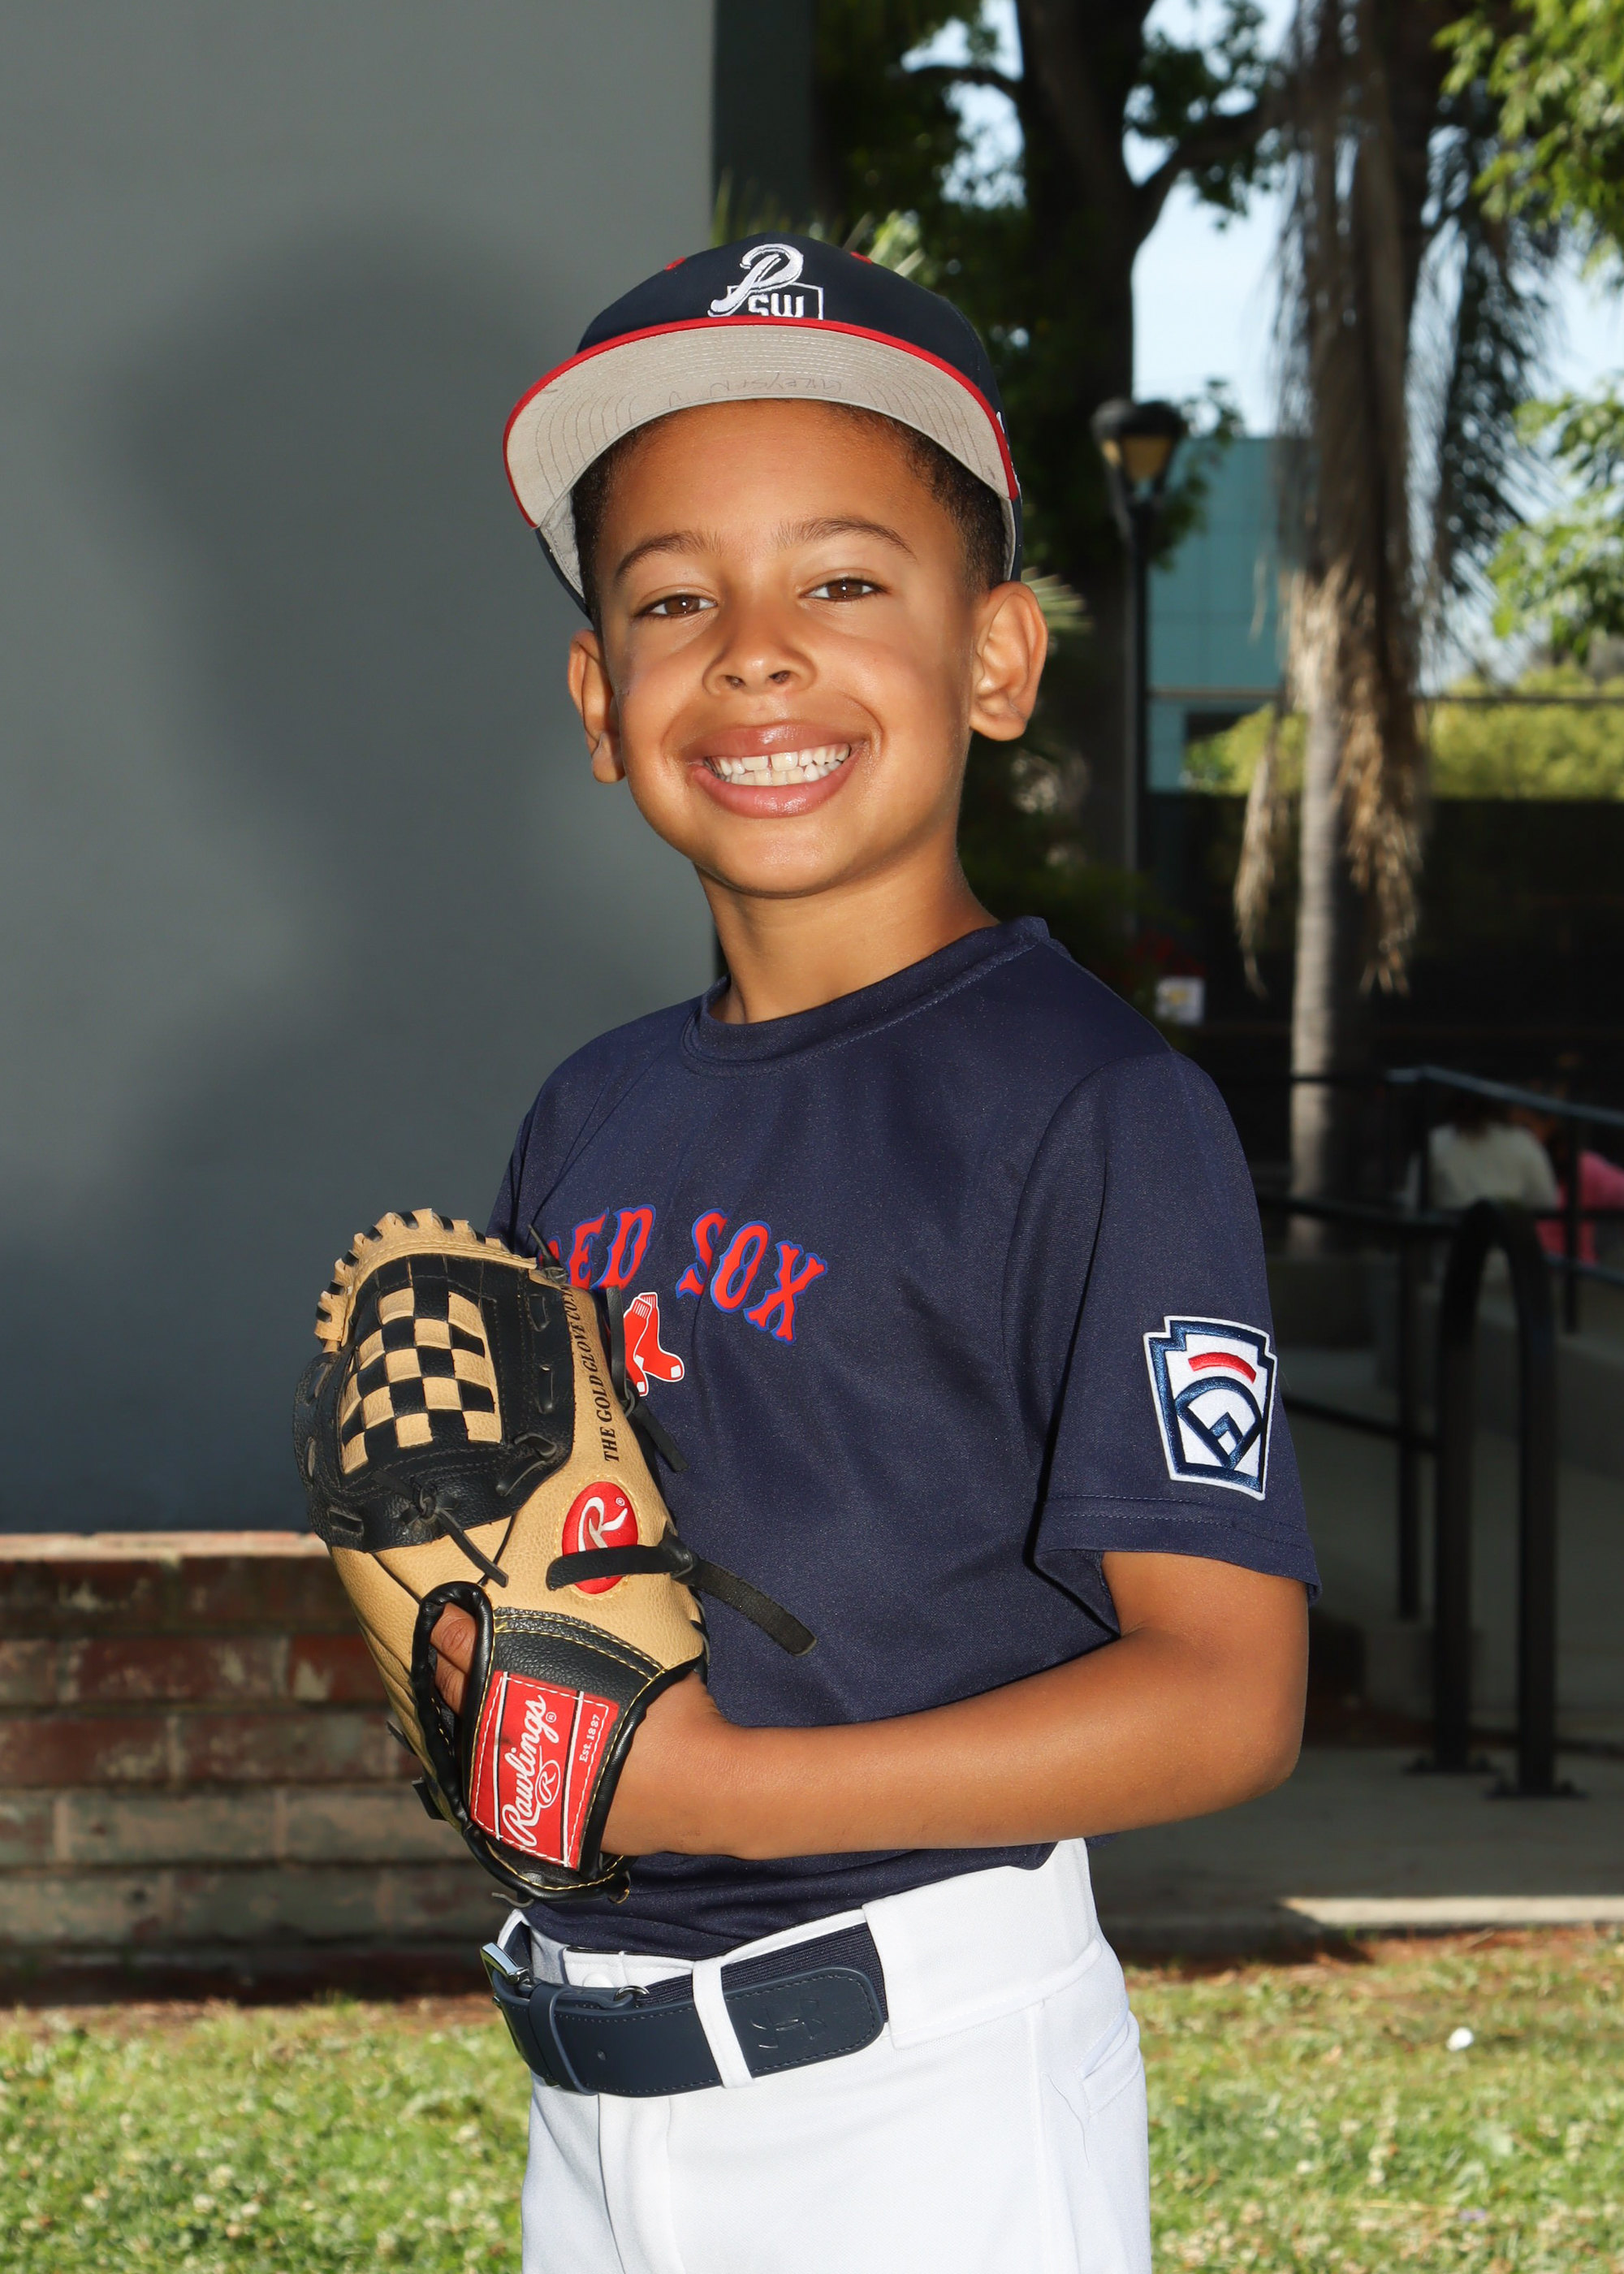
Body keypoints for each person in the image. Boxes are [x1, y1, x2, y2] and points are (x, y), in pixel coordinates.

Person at [430, 236, 1317, 2274]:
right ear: (598, 699)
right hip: (593, 2093)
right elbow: (571, 1573)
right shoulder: (588, 1113)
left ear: (995, 658)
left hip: (918, 2100)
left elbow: (1223, 1695)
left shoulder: (1091, 1109)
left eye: (841, 582)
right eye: (672, 598)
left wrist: (707, 1790)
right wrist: (472, 1663)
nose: (754, 655)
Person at [1414, 1092, 1559, 1215]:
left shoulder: (1435, 1142)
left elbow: (1412, 1202)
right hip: (1498, 1238)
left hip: (1456, 1239)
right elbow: (1545, 1201)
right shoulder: (1523, 1142)